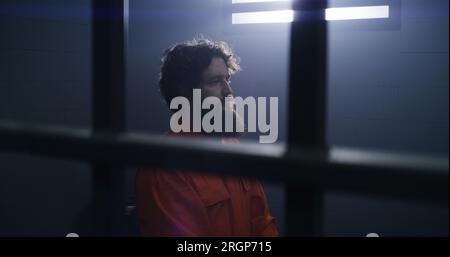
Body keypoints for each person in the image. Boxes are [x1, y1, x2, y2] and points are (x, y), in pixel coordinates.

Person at [135, 38, 278, 236]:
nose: (229, 91)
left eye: (227, 79)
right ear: (185, 93)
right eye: (215, 81)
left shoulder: (234, 149)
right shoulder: (164, 166)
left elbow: (262, 223)